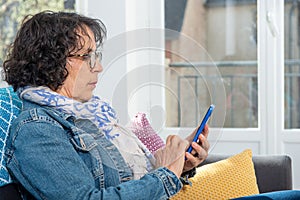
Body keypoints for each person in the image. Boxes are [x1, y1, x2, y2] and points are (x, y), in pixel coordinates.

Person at [3, 11, 210, 199]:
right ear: (47, 61)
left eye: (96, 56)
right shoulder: (37, 129)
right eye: (86, 57)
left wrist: (180, 163)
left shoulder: (93, 116)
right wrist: (167, 173)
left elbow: (128, 182)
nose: (99, 67)